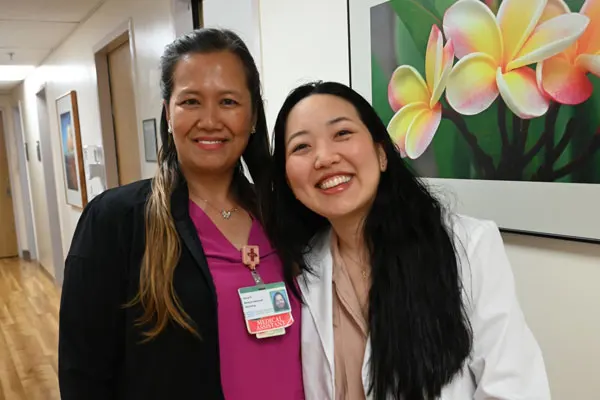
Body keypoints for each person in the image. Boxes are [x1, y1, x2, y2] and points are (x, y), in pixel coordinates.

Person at [264, 81, 550, 400]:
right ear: (287, 179)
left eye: (342, 134)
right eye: (301, 147)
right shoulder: (302, 267)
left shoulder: (468, 246)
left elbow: (513, 387)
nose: (324, 157)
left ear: (382, 153)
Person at [58, 28, 304, 400]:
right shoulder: (116, 220)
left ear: (253, 116)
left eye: (228, 102)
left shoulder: (283, 216)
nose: (209, 120)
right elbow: (83, 373)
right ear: (167, 114)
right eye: (190, 101)